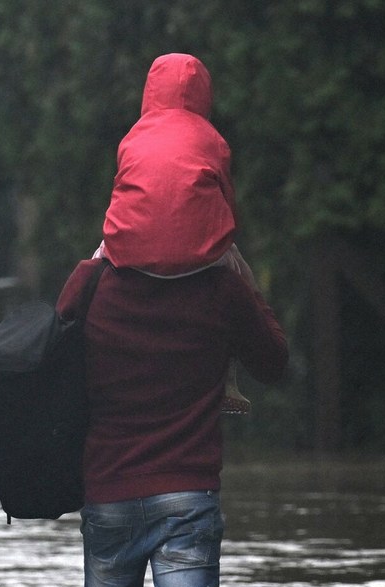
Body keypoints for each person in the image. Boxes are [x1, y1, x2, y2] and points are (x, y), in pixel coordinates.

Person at [56, 53, 289, 587]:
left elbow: (52, 354)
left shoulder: (93, 281)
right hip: (188, 495)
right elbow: (275, 362)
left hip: (106, 490)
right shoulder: (223, 288)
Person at [95, 51, 256, 414]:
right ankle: (230, 382)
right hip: (200, 258)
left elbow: (123, 191)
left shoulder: (132, 138)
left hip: (129, 253)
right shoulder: (213, 139)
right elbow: (227, 202)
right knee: (245, 280)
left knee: (88, 275)